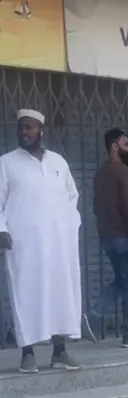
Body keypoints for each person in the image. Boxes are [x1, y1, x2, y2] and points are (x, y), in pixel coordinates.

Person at [0, 109, 82, 373]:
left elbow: (72, 196)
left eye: (29, 128)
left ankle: (60, 351)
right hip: (25, 244)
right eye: (21, 128)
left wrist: (70, 226)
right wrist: (1, 229)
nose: (24, 132)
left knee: (60, 294)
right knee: (27, 296)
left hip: (59, 244)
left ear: (41, 131)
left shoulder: (58, 162)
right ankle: (27, 354)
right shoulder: (7, 163)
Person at [87, 128, 128, 346]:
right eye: (126, 143)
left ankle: (97, 316)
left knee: (123, 281)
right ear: (114, 146)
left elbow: (96, 207)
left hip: (107, 238)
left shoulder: (99, 175)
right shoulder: (123, 172)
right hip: (123, 237)